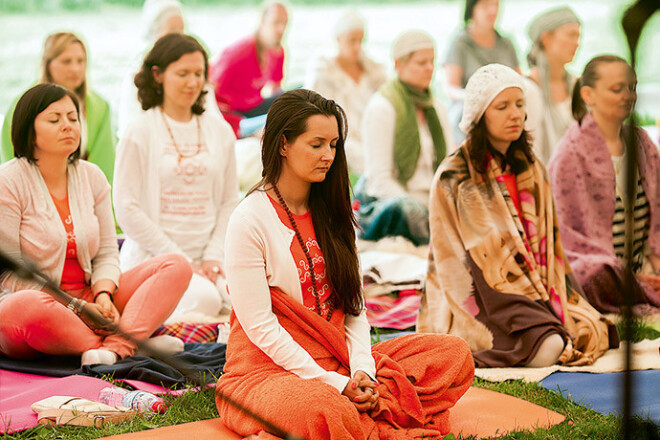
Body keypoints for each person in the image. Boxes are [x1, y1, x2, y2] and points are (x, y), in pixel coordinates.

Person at [215, 89, 474, 439]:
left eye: (334, 145)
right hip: (266, 372)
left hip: (339, 361)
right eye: (317, 144)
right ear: (283, 145)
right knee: (326, 410)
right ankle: (368, 415)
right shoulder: (249, 219)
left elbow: (354, 307)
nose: (329, 156)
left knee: (454, 353)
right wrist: (336, 384)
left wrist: (362, 371)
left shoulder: (334, 213)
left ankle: (361, 411)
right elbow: (260, 327)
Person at [417, 64, 618, 368]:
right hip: (486, 297)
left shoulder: (531, 166)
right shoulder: (456, 175)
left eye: (519, 104)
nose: (515, 114)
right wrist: (537, 309)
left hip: (534, 286)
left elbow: (550, 248)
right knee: (548, 344)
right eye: (502, 106)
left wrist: (549, 300)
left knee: (588, 327)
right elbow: (482, 264)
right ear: (479, 114)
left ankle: (545, 323)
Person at [0, 84, 191, 366]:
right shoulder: (9, 180)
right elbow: (9, 272)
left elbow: (105, 250)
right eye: (55, 120)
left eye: (73, 118)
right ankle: (133, 344)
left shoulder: (92, 176)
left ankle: (115, 348)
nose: (68, 126)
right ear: (29, 130)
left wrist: (102, 295)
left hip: (92, 297)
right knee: (24, 306)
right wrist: (76, 307)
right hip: (41, 306)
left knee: (176, 265)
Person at [113, 33, 238, 321]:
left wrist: (213, 256)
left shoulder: (219, 132)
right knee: (204, 300)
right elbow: (126, 209)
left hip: (211, 258)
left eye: (198, 73)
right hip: (157, 258)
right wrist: (178, 259)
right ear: (158, 75)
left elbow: (230, 200)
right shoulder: (139, 131)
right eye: (183, 73)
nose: (193, 82)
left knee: (247, 297)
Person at [548, 55, 660, 314]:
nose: (627, 96)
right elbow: (568, 242)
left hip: (644, 266)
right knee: (591, 275)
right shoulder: (569, 154)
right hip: (603, 274)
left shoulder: (641, 141)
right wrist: (631, 279)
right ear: (588, 95)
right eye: (616, 89)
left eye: (631, 88)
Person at [356, 30, 452, 246]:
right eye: (421, 63)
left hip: (435, 200)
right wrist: (424, 209)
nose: (430, 68)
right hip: (399, 203)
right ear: (399, 64)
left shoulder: (437, 108)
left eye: (432, 62)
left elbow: (449, 166)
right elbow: (379, 180)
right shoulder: (381, 107)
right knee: (407, 210)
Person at [1, 32, 116, 184]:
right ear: (48, 64)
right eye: (66, 61)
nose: (75, 68)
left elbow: (105, 165)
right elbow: (11, 159)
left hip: (83, 191)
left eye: (81, 61)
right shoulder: (22, 105)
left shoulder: (100, 107)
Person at [116, 0, 220, 139]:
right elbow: (129, 129)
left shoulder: (195, 65)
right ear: (154, 34)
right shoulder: (136, 73)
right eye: (172, 31)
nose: (178, 36)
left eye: (181, 30)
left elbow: (214, 122)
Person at [304, 9, 387, 175]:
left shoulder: (374, 71)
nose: (357, 47)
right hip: (342, 136)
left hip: (374, 132)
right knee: (357, 154)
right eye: (352, 41)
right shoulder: (324, 72)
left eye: (361, 41)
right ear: (338, 40)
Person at [444, 0, 519, 145]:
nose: (492, 11)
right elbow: (451, 88)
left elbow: (518, 79)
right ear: (472, 9)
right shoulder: (460, 43)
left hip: (506, 108)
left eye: (495, 5)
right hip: (471, 112)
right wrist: (479, 99)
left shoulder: (506, 44)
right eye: (486, 6)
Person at [209, 1, 288, 137]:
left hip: (254, 107)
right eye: (276, 23)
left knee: (298, 96)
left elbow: (276, 88)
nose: (281, 29)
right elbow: (211, 88)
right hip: (231, 113)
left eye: (285, 23)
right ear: (263, 21)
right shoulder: (239, 52)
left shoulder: (277, 52)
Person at [524, 7, 581, 163]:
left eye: (578, 36)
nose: (577, 44)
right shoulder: (525, 90)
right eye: (571, 35)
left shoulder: (578, 85)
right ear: (546, 39)